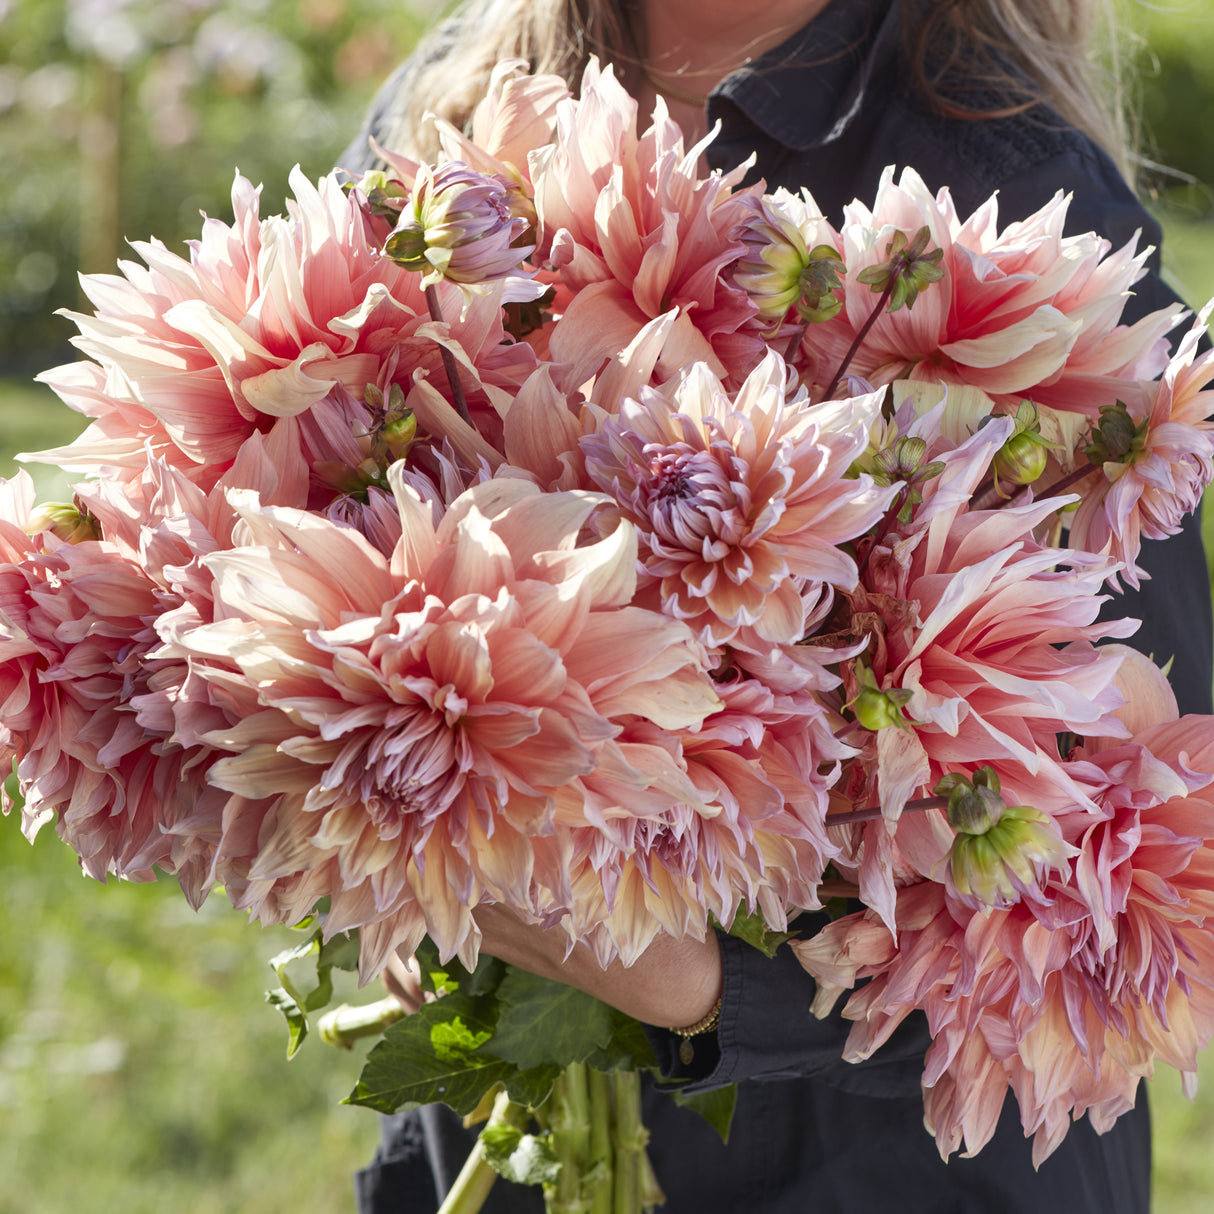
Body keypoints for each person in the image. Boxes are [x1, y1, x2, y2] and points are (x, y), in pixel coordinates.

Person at [340, 1, 1214, 1210]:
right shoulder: (441, 123)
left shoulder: (1004, 199)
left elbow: (1126, 873)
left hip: (879, 1172)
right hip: (505, 1137)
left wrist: (699, 986)